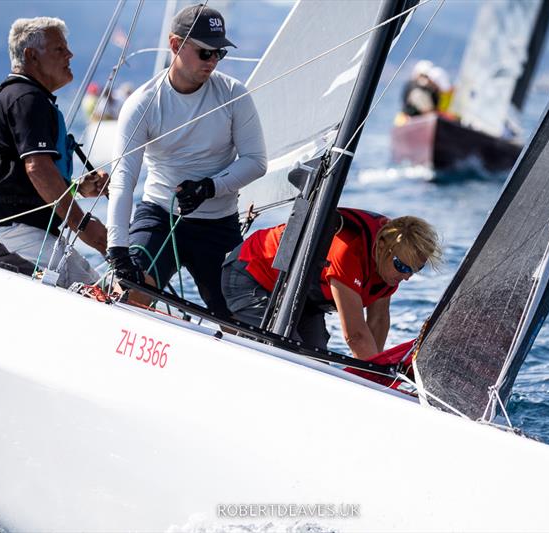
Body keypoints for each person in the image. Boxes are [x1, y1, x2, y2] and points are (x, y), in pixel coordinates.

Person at [106, 4, 267, 316]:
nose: (213, 61)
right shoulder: (143, 104)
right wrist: (117, 252)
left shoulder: (234, 94)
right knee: (130, 293)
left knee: (243, 324)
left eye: (219, 53)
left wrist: (209, 188)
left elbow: (256, 161)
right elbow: (123, 181)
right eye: (205, 52)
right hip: (160, 219)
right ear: (175, 44)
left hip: (219, 225)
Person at [0, 17, 108, 288]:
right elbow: (37, 169)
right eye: (59, 49)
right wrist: (84, 226)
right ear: (31, 56)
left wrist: (75, 188)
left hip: (16, 234)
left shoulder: (17, 96)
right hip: (13, 237)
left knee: (105, 291)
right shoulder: (27, 98)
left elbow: (18, 179)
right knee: (109, 297)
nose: (70, 54)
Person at [221, 208, 443, 360]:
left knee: (317, 363)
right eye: (403, 267)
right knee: (291, 357)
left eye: (416, 269)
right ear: (383, 247)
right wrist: (372, 385)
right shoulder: (349, 249)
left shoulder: (389, 261)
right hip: (250, 274)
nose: (407, 277)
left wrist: (376, 373)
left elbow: (378, 319)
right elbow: (355, 335)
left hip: (300, 294)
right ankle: (234, 331)